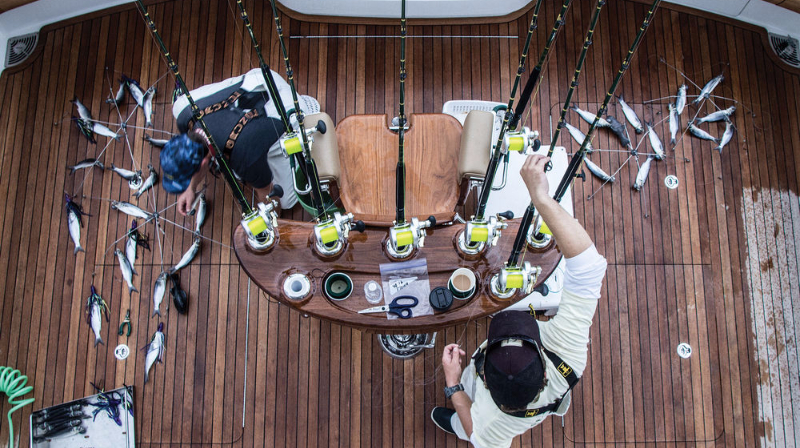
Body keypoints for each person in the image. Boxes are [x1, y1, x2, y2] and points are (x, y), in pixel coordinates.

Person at [431, 154, 608, 448]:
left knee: (465, 428)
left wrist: (454, 384)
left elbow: (478, 435)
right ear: (544, 370)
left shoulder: (492, 424)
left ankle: (454, 425)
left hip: (480, 416)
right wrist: (541, 197)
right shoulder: (567, 355)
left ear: (485, 379)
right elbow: (589, 267)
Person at [160, 68, 317, 214]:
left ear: (203, 163)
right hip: (260, 77)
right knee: (181, 104)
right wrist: (191, 187)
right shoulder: (183, 111)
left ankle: (307, 116)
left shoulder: (243, 157)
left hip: (292, 110)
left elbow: (270, 198)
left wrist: (269, 221)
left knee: (286, 201)